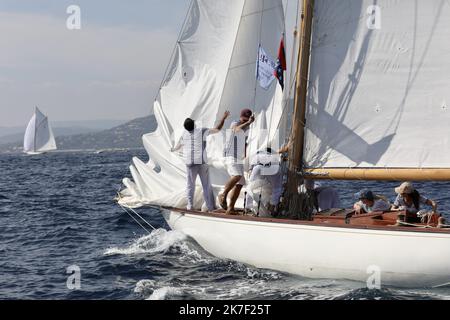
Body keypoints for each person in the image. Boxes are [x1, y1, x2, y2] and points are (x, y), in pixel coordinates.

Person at [171, 111, 230, 212]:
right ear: (194, 125)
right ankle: (210, 207)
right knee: (206, 185)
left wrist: (172, 149)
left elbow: (178, 147)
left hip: (190, 163)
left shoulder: (184, 135)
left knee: (190, 185)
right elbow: (217, 129)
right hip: (201, 162)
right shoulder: (201, 131)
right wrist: (223, 118)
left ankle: (190, 206)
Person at [219, 109, 255, 214]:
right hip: (230, 155)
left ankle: (230, 208)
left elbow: (245, 141)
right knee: (237, 176)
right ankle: (223, 194)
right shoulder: (235, 123)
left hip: (237, 157)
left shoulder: (247, 127)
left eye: (247, 119)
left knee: (240, 183)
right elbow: (235, 130)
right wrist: (247, 123)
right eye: (244, 119)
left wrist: (244, 151)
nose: (246, 121)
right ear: (241, 117)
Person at [244, 148, 283, 216]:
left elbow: (251, 169)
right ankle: (272, 208)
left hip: (259, 167)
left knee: (250, 187)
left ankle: (247, 208)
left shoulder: (258, 154)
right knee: (276, 189)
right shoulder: (275, 157)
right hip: (275, 168)